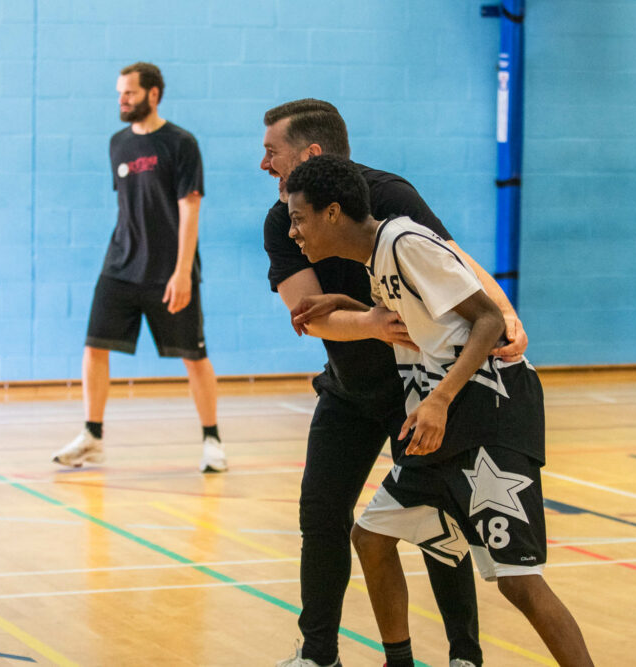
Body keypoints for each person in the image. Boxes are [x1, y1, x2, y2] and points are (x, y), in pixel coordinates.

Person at [286, 155, 594, 667]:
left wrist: (439, 400)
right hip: (446, 422)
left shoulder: (406, 243)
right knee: (372, 537)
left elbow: (488, 320)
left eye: (299, 218)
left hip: (490, 413)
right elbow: (421, 320)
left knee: (516, 581)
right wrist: (346, 304)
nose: (293, 231)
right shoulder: (378, 256)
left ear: (333, 212)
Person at [262, 100, 529, 667]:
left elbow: (454, 260)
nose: (264, 163)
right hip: (350, 389)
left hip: (421, 391)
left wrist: (506, 313)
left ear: (311, 154)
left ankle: (464, 655)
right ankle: (318, 655)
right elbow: (307, 313)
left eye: (272, 151)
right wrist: (372, 324)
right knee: (322, 516)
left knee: (438, 525)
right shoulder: (283, 222)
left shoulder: (392, 199)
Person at [51, 62, 226, 473]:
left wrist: (182, 272)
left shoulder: (181, 143)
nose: (121, 100)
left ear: (153, 94)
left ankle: (213, 440)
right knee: (94, 347)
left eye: (128, 93)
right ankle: (92, 436)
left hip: (169, 272)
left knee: (194, 357)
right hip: (120, 265)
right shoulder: (118, 144)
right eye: (119, 93)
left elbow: (189, 209)